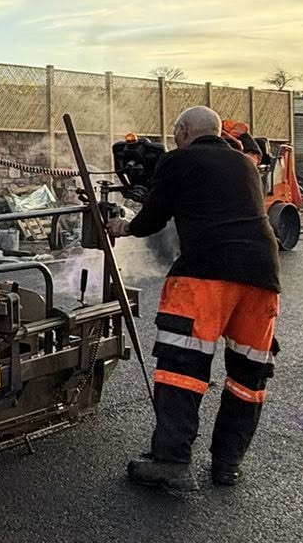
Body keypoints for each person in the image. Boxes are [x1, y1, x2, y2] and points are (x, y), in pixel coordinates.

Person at [106, 104, 280, 489]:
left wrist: (122, 226)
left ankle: (171, 461)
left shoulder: (178, 161)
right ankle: (226, 465)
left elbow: (152, 218)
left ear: (184, 130)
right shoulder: (246, 165)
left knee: (181, 369)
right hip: (262, 276)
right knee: (248, 377)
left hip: (206, 273)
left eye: (175, 132)